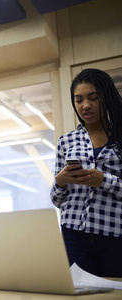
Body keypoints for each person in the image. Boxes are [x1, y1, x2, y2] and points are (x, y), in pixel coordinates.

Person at [51, 68, 122, 277]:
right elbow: (56, 200)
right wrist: (61, 181)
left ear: (106, 97)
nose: (85, 105)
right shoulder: (66, 141)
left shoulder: (120, 137)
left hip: (114, 234)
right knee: (80, 294)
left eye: (93, 98)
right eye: (79, 100)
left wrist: (104, 180)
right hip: (73, 235)